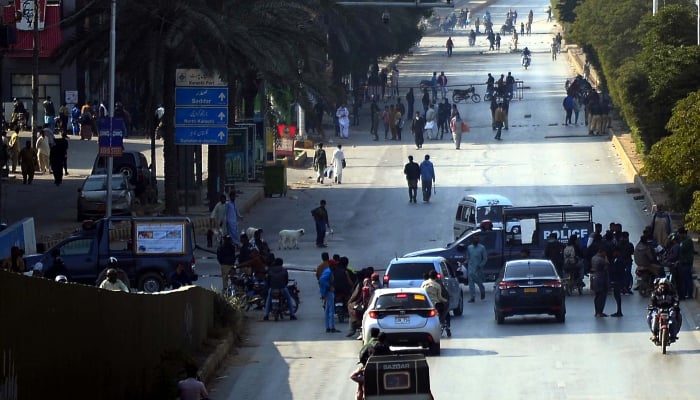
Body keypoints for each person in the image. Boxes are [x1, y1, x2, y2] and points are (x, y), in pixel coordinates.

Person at [647, 278, 682, 343]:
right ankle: (654, 333)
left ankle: (673, 335)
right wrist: (651, 307)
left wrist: (675, 305)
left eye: (664, 284)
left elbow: (676, 300)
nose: (663, 286)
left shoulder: (672, 293)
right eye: (661, 284)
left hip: (669, 309)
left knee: (676, 317)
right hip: (658, 309)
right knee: (650, 316)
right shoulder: (655, 293)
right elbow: (651, 301)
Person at [421, 270, 451, 337]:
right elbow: (440, 297)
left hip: (426, 304)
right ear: (436, 277)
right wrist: (446, 301)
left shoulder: (423, 283)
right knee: (446, 311)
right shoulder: (438, 285)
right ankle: (444, 323)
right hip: (436, 304)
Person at [319, 260, 339, 332]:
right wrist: (329, 287)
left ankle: (328, 327)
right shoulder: (328, 272)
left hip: (326, 292)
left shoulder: (327, 270)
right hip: (328, 292)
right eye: (334, 265)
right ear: (332, 266)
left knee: (327, 310)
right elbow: (322, 280)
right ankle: (332, 327)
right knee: (331, 310)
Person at [466, 235, 487, 302]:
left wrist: (480, 265)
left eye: (477, 239)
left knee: (479, 282)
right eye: (474, 239)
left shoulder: (482, 248)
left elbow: (485, 258)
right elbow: (468, 257)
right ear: (472, 240)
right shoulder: (469, 247)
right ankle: (472, 297)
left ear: (478, 240)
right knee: (471, 283)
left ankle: (482, 291)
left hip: (478, 269)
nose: (475, 240)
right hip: (470, 269)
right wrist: (464, 263)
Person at [590, 247, 609, 317]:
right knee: (602, 296)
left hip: (594, 277)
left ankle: (597, 312)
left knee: (597, 296)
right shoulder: (601, 259)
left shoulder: (593, 258)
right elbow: (607, 264)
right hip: (601, 278)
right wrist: (606, 257)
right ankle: (599, 312)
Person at [677, 227, 695, 300]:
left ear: (683, 233)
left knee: (686, 279)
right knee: (686, 279)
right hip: (684, 262)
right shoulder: (684, 240)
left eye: (680, 234)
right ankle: (687, 294)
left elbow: (681, 249)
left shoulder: (687, 241)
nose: (679, 235)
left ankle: (687, 294)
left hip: (686, 262)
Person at [609, 247, 625, 317]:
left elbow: (619, 271)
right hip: (616, 280)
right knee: (616, 295)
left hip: (618, 280)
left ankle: (619, 311)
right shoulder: (615, 260)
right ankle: (619, 310)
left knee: (617, 295)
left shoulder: (620, 260)